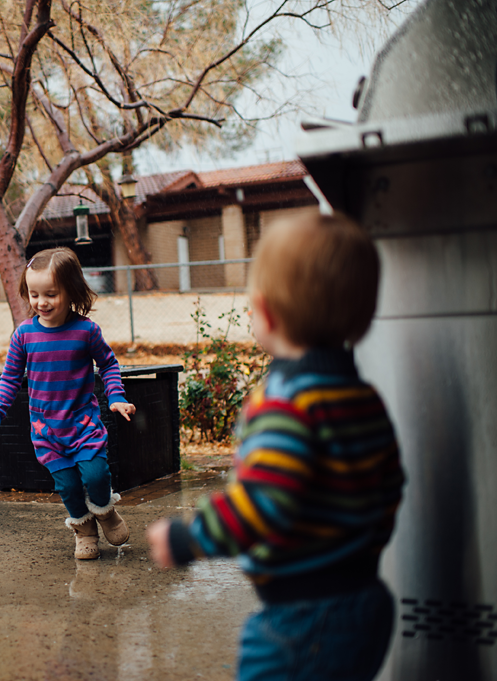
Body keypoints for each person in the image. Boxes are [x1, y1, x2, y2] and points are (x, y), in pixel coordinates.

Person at [147, 213, 405, 680]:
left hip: (302, 620)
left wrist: (188, 539)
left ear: (264, 313)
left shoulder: (287, 403)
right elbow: (389, 485)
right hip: (367, 600)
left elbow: (263, 502)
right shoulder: (363, 397)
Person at [0, 247, 136, 560]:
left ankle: (105, 511)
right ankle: (84, 531)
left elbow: (108, 364)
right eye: (34, 294)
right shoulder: (24, 335)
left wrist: (117, 397)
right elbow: (10, 378)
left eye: (50, 294)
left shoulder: (86, 331)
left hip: (83, 425)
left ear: (71, 290)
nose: (41, 302)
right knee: (67, 485)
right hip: (47, 431)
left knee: (96, 477)